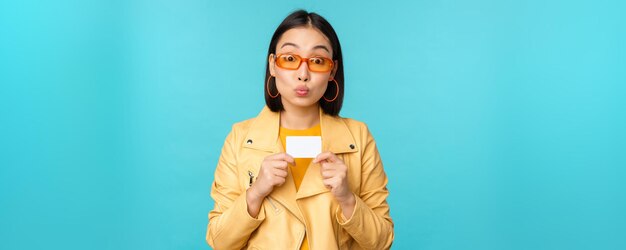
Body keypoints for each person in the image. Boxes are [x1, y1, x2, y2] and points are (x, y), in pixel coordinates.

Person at [206, 10, 394, 250]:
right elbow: (219, 241)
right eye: (290, 59)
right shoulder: (240, 138)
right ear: (273, 65)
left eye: (317, 61)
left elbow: (382, 241)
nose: (303, 75)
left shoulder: (358, 137)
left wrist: (347, 198)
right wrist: (255, 193)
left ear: (332, 71)